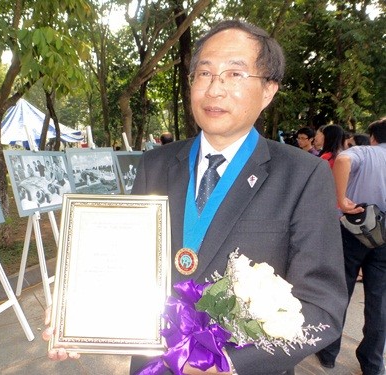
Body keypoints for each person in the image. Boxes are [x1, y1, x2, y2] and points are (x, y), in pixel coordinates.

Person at [44, 20, 347, 375]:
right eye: (204, 74)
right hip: (153, 363)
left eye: (234, 74)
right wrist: (77, 313)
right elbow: (126, 264)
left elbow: (322, 308)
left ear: (268, 91)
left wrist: (226, 365)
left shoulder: (302, 175)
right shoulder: (155, 163)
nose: (214, 89)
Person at [316, 118, 386, 375]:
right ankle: (372, 364)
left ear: (374, 137)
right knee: (379, 302)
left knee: (339, 291)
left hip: (354, 231)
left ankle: (328, 352)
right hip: (384, 237)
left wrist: (341, 200)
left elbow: (343, 160)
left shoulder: (364, 152)